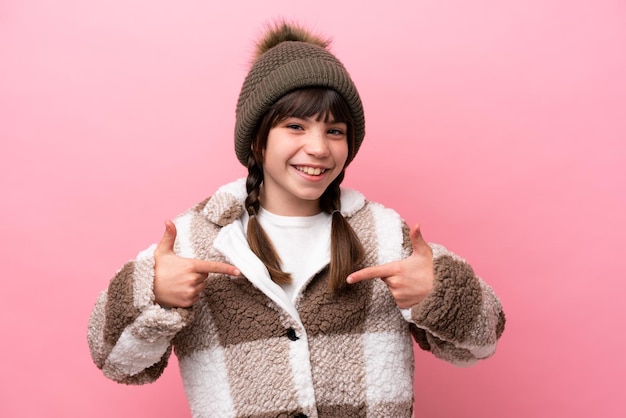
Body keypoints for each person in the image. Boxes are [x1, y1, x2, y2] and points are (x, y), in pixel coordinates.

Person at [88, 21, 506, 418]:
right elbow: (115, 362)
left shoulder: (382, 234)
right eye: (295, 126)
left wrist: (438, 292)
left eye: (335, 131)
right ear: (257, 138)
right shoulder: (197, 240)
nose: (319, 148)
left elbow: (480, 343)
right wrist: (153, 294)